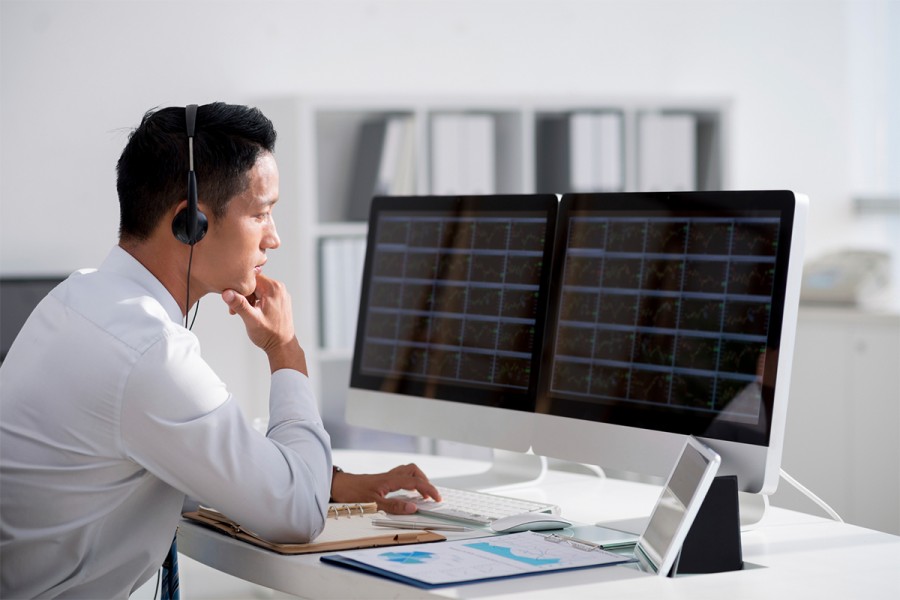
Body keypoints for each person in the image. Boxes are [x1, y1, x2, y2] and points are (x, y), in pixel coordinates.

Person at [0, 102, 440, 598]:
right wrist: (284, 350)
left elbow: (184, 464)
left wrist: (330, 482)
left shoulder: (79, 298)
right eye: (261, 213)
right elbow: (297, 515)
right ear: (192, 223)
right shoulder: (150, 352)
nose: (273, 238)